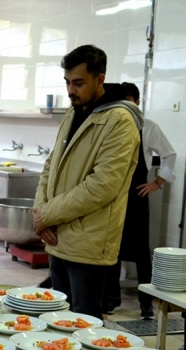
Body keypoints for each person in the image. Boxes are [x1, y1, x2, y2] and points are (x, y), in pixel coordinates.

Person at [32, 45, 141, 320]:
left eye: (78, 83)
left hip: (88, 245)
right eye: (68, 82)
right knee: (58, 319)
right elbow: (51, 165)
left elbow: (102, 186)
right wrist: (39, 211)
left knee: (84, 322)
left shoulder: (120, 121)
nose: (71, 90)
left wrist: (46, 214)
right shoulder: (73, 112)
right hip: (58, 237)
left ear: (100, 79)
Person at [103, 82, 176, 319]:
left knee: (142, 253)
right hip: (114, 195)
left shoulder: (149, 127)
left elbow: (169, 154)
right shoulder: (112, 124)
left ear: (137, 102)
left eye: (129, 102)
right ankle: (112, 299)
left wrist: (157, 183)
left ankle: (146, 304)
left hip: (137, 196)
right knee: (112, 247)